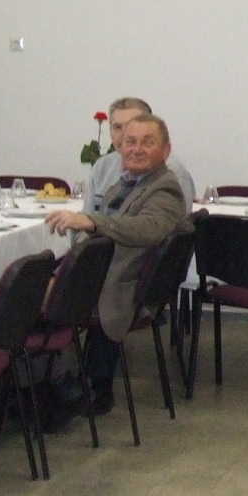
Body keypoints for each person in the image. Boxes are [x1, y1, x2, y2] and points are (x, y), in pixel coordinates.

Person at [46, 114, 190, 414]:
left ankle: (44, 387)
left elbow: (148, 228)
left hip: (120, 285)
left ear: (166, 150)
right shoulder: (130, 183)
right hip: (105, 275)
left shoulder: (165, 189)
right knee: (34, 282)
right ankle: (51, 383)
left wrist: (91, 221)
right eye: (130, 142)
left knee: (20, 298)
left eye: (147, 143)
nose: (136, 149)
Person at [86, 97, 199, 210]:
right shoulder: (102, 167)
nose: (124, 134)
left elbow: (171, 219)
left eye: (132, 125)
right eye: (117, 127)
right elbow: (87, 215)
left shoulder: (173, 172)